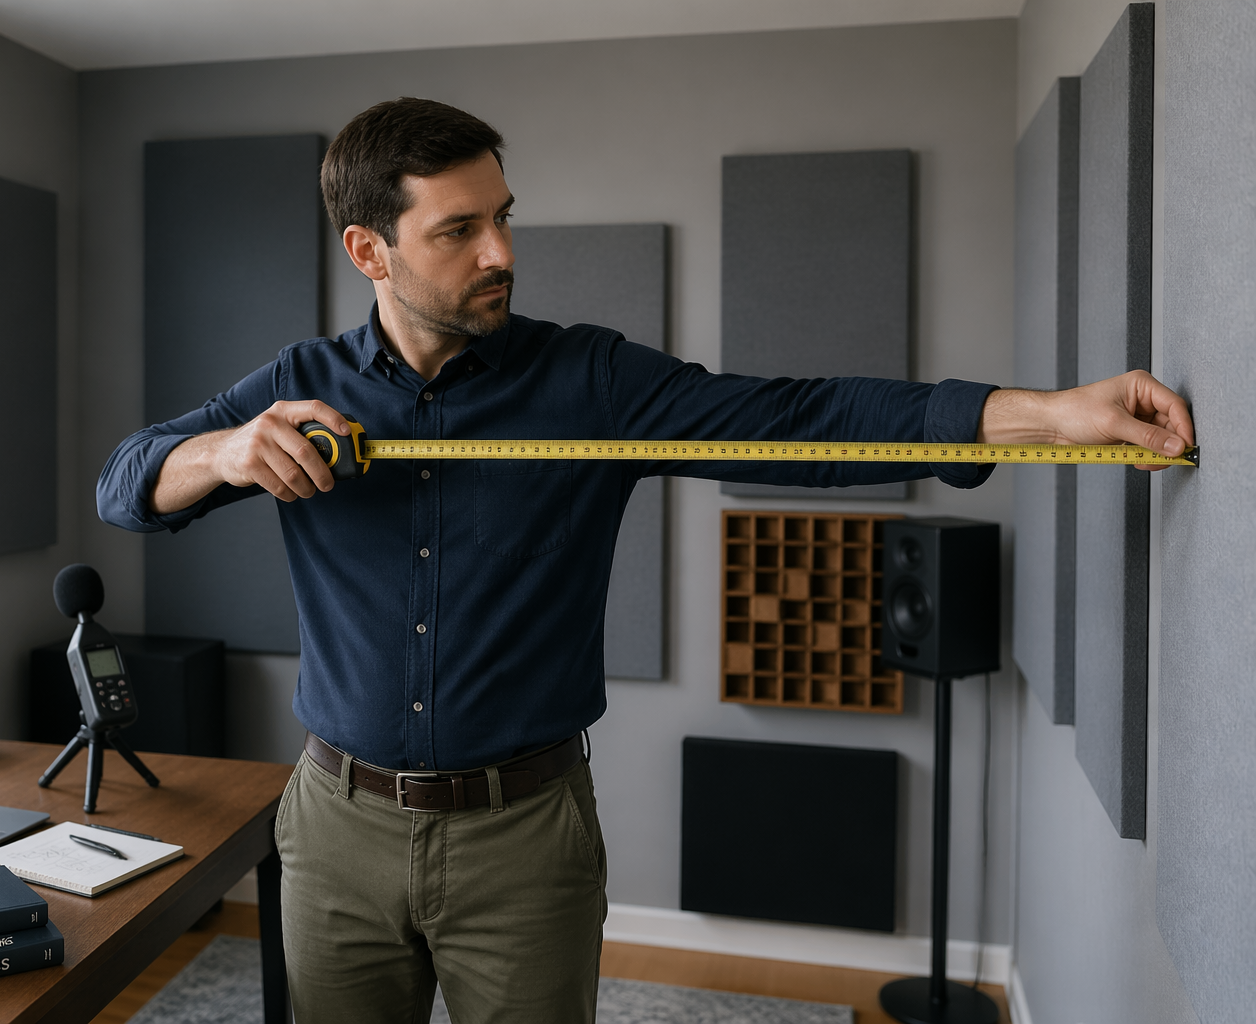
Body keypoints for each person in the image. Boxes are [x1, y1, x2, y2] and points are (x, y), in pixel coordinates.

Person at [98, 97, 1195, 1023]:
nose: (503, 255)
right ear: (369, 250)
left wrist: (1048, 413)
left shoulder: (590, 381)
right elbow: (125, 483)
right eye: (460, 230)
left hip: (523, 839)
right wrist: (221, 451)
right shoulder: (298, 380)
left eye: (506, 219)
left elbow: (794, 418)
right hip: (333, 826)